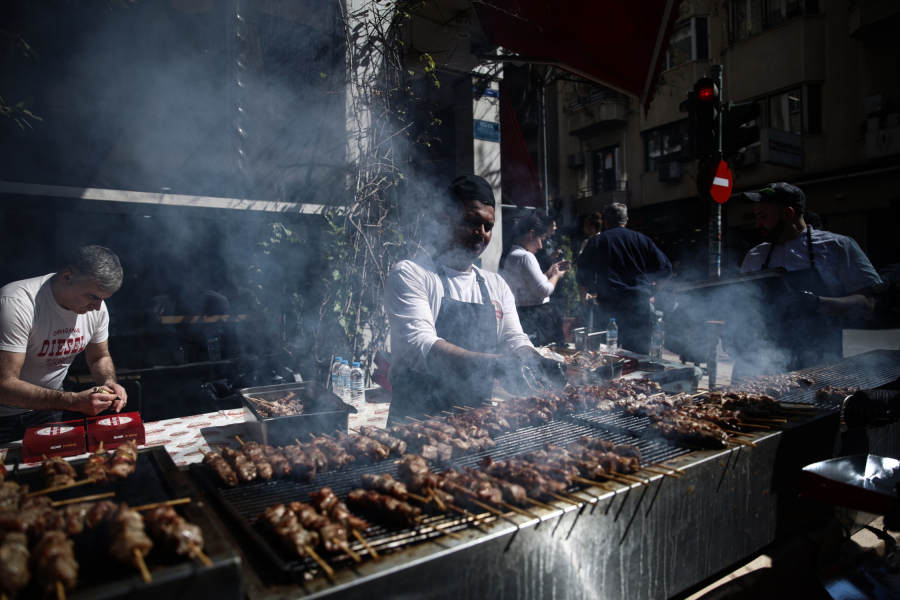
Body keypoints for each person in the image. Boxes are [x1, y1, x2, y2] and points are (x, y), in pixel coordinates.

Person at [384, 175, 566, 424]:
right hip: (416, 421)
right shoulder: (411, 274)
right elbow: (421, 346)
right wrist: (497, 365)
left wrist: (532, 359)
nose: (481, 234)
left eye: (488, 227)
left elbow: (513, 338)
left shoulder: (495, 284)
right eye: (472, 222)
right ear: (444, 219)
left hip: (477, 422)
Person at [726, 182, 882, 378]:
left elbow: (866, 304)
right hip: (758, 366)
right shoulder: (755, 256)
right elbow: (743, 307)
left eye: (763, 216)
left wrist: (816, 303)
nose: (757, 224)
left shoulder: (838, 246)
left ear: (788, 213)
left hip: (818, 366)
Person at [0, 246, 128, 444]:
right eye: (92, 297)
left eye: (103, 299)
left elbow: (98, 357)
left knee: (53, 471)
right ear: (66, 277)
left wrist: (108, 382)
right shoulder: (16, 303)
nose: (97, 307)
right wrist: (73, 401)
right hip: (4, 414)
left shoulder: (96, 309)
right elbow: (4, 385)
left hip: (50, 409)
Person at [576, 203, 672, 355]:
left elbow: (582, 271)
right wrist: (652, 291)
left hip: (609, 307)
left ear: (606, 221)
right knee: (638, 358)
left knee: (606, 357)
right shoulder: (643, 240)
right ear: (626, 220)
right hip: (638, 306)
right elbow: (666, 271)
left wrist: (583, 295)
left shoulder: (598, 241)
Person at [501, 214, 569, 346]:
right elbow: (543, 290)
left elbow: (531, 284)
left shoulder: (513, 254)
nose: (541, 246)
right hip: (535, 316)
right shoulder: (526, 256)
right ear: (531, 234)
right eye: (541, 240)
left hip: (522, 313)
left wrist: (549, 273)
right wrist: (556, 276)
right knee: (540, 352)